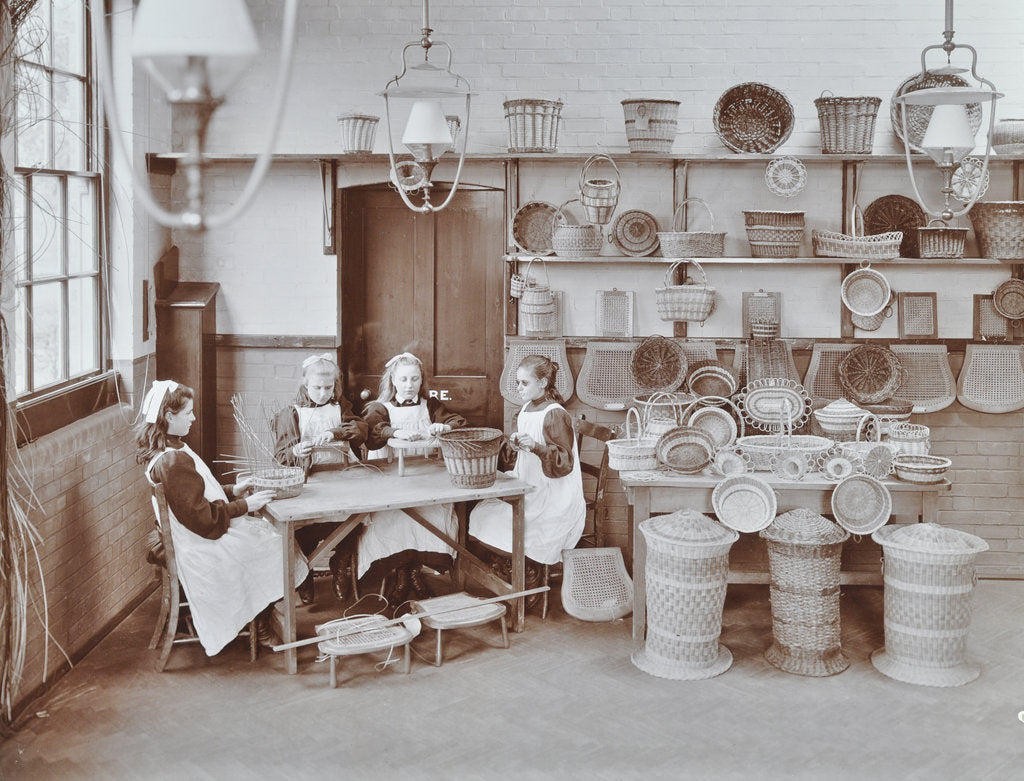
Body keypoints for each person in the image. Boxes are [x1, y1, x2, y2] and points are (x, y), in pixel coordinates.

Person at [136, 380, 309, 654]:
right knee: (275, 545)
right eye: (188, 413)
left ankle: (262, 614)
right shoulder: (172, 462)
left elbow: (195, 497)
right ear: (169, 416)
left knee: (270, 540)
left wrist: (231, 490)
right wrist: (245, 504)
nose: (193, 418)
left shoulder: (171, 450)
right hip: (200, 543)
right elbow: (203, 519)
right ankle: (260, 620)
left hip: (199, 532)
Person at [468, 355, 585, 601]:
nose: (518, 388)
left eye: (524, 383)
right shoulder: (526, 408)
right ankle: (512, 570)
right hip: (530, 483)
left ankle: (526, 573)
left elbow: (565, 463)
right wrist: (515, 445)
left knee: (508, 522)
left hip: (554, 492)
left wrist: (537, 448)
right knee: (485, 511)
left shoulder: (555, 414)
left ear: (542, 382)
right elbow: (524, 452)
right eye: (517, 382)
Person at [360, 351, 468, 604]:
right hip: (391, 481)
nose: (409, 386)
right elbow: (373, 430)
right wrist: (396, 432)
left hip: (423, 479)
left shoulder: (429, 406)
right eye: (404, 379)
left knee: (430, 517)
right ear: (393, 381)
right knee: (393, 519)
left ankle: (414, 572)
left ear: (422, 381)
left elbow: (457, 420)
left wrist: (444, 426)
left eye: (415, 379)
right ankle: (400, 575)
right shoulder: (380, 408)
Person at [272, 353, 368, 602]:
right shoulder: (291, 413)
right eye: (317, 387)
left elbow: (360, 429)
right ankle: (305, 575)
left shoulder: (341, 408)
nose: (323, 393)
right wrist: (296, 450)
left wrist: (335, 432)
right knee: (305, 531)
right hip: (310, 482)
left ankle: (341, 563)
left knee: (353, 522)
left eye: (329, 387)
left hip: (343, 478)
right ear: (305, 384)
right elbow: (280, 456)